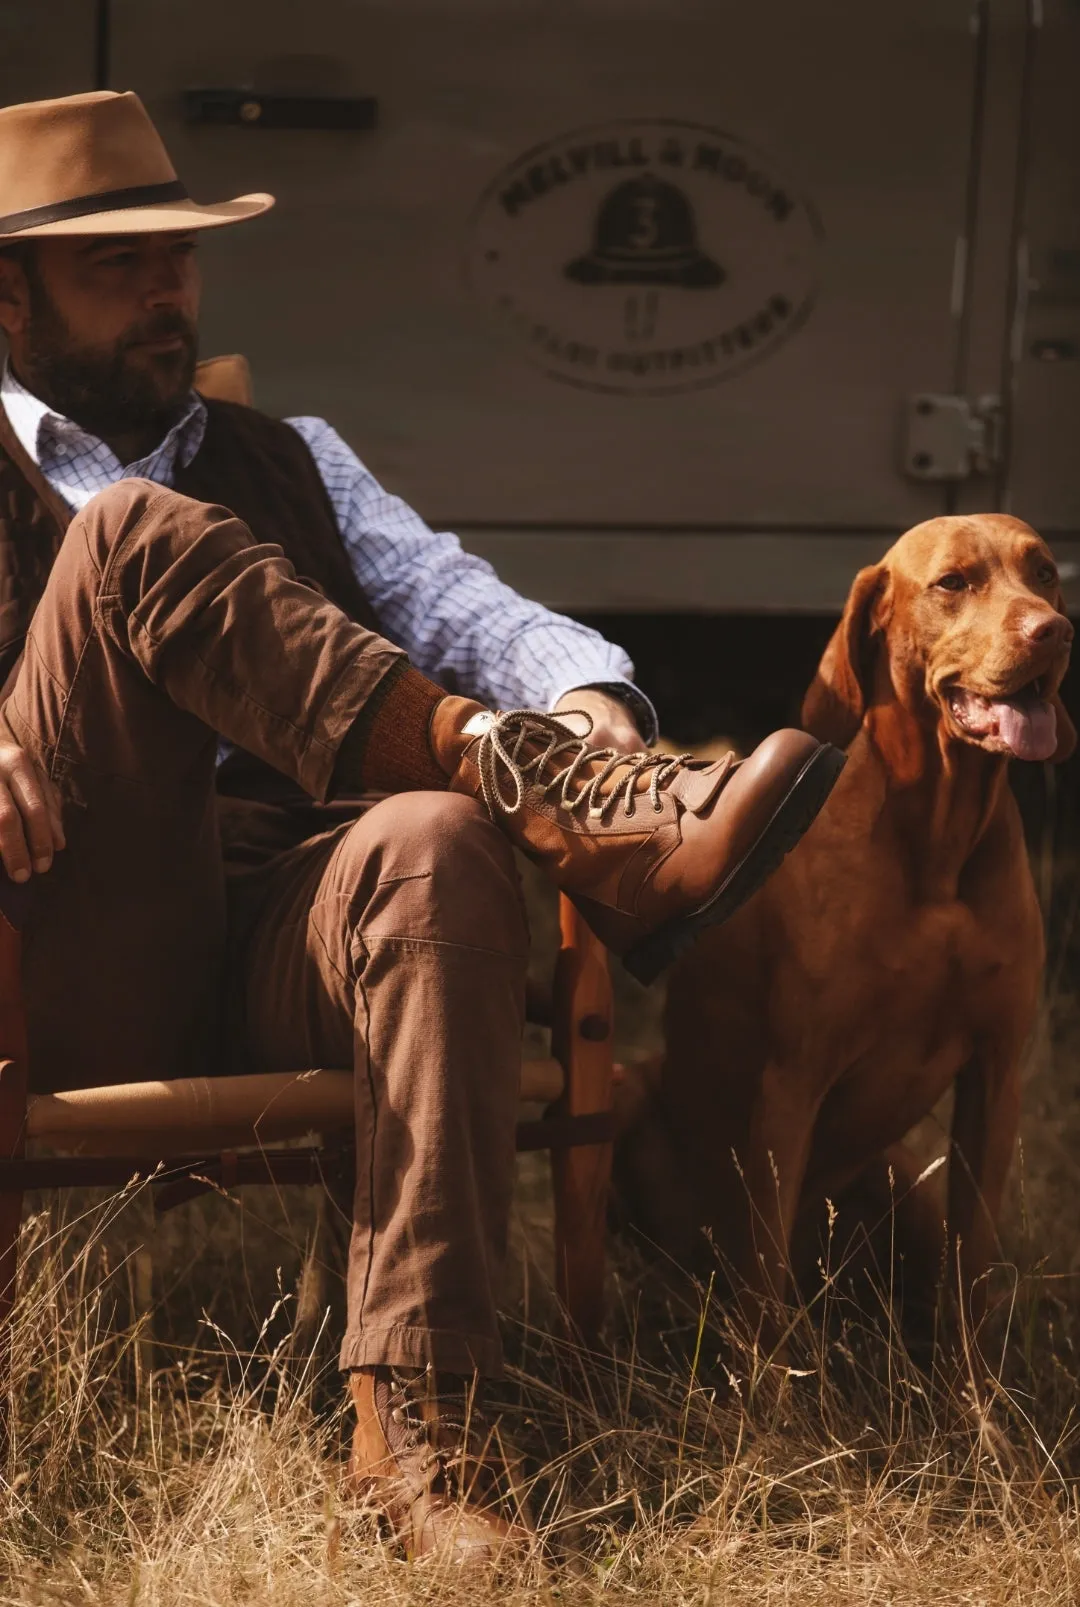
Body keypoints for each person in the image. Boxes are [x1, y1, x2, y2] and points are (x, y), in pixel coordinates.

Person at [0, 90, 843, 1561]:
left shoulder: (288, 454)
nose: (166, 292)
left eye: (180, 259)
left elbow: (470, 606)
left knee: (440, 844)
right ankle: (561, 808)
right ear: (5, 294)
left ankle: (419, 1436)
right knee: (132, 536)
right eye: (117, 265)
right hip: (62, 936)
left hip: (283, 923)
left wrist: (591, 709)